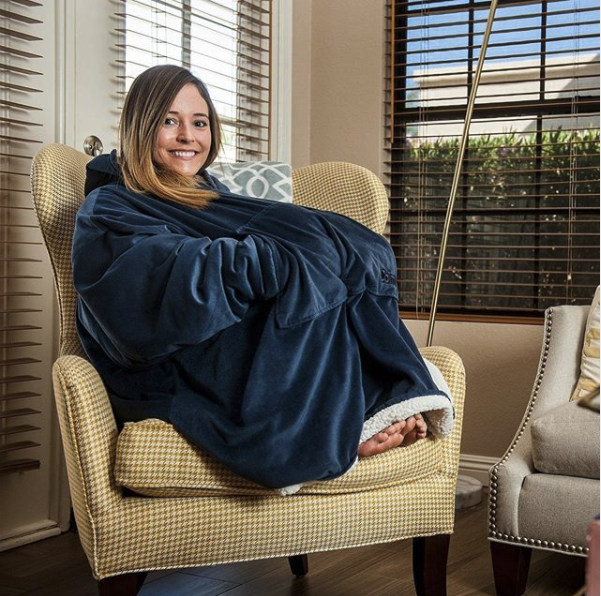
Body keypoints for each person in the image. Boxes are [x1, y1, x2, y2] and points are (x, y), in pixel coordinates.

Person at [72, 64, 453, 491]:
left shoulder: (213, 197)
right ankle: (346, 421)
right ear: (140, 128)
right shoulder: (109, 206)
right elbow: (154, 288)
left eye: (199, 123)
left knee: (347, 248)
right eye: (168, 121)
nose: (188, 137)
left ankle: (360, 409)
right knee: (307, 253)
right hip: (175, 363)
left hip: (237, 335)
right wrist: (273, 259)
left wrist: (296, 254)